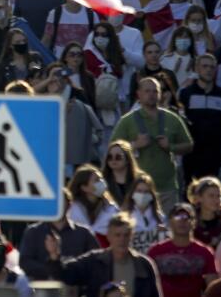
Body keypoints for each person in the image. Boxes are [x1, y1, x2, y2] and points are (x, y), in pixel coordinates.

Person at [111, 76, 194, 209]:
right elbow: (113, 149)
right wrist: (135, 145)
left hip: (167, 186)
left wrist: (171, 147)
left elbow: (189, 145)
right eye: (147, 91)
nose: (151, 95)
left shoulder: (172, 118)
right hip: (137, 187)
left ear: (160, 94)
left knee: (168, 228)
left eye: (155, 91)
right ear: (139, 94)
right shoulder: (127, 120)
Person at [45, 212, 162, 297]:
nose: (122, 239)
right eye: (117, 235)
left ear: (131, 236)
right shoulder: (94, 261)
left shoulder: (144, 265)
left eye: (126, 235)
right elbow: (65, 275)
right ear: (108, 236)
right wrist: (54, 255)